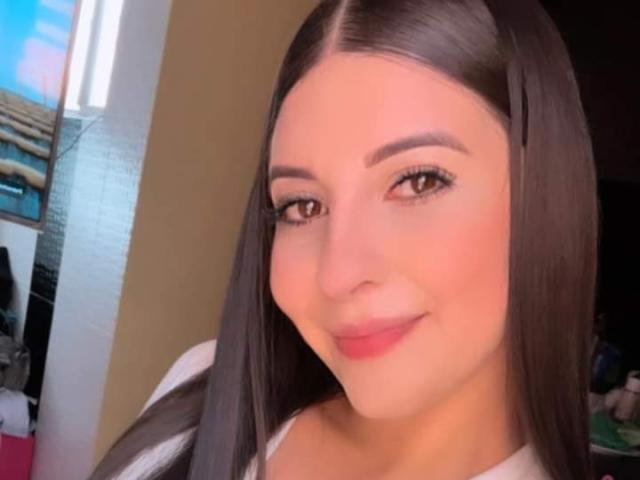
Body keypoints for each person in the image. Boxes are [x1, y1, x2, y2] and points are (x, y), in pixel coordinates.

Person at [89, 0, 598, 479]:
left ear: (548, 192)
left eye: (418, 181)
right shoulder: (201, 394)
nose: (337, 275)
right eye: (302, 205)